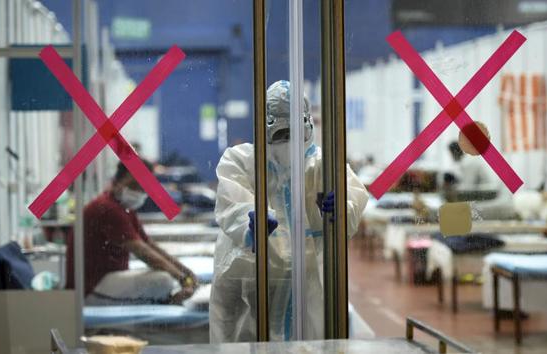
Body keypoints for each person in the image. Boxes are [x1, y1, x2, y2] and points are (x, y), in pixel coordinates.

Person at [210, 80, 369, 342]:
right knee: (246, 340)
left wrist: (342, 208)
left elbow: (353, 196)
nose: (290, 143)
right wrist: (251, 218)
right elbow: (232, 199)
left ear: (308, 127)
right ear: (265, 128)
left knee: (310, 341)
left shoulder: (323, 164)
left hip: (307, 281)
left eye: (296, 133)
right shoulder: (242, 160)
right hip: (253, 278)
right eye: (282, 134)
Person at [66, 160, 198, 305]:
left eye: (143, 188)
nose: (139, 191)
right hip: (90, 289)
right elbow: (142, 252)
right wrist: (182, 278)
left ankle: (169, 297)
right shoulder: (108, 208)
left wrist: (185, 272)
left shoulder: (123, 207)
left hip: (105, 280)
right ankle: (169, 300)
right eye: (133, 185)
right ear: (116, 182)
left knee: (164, 276)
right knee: (163, 280)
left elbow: (148, 245)